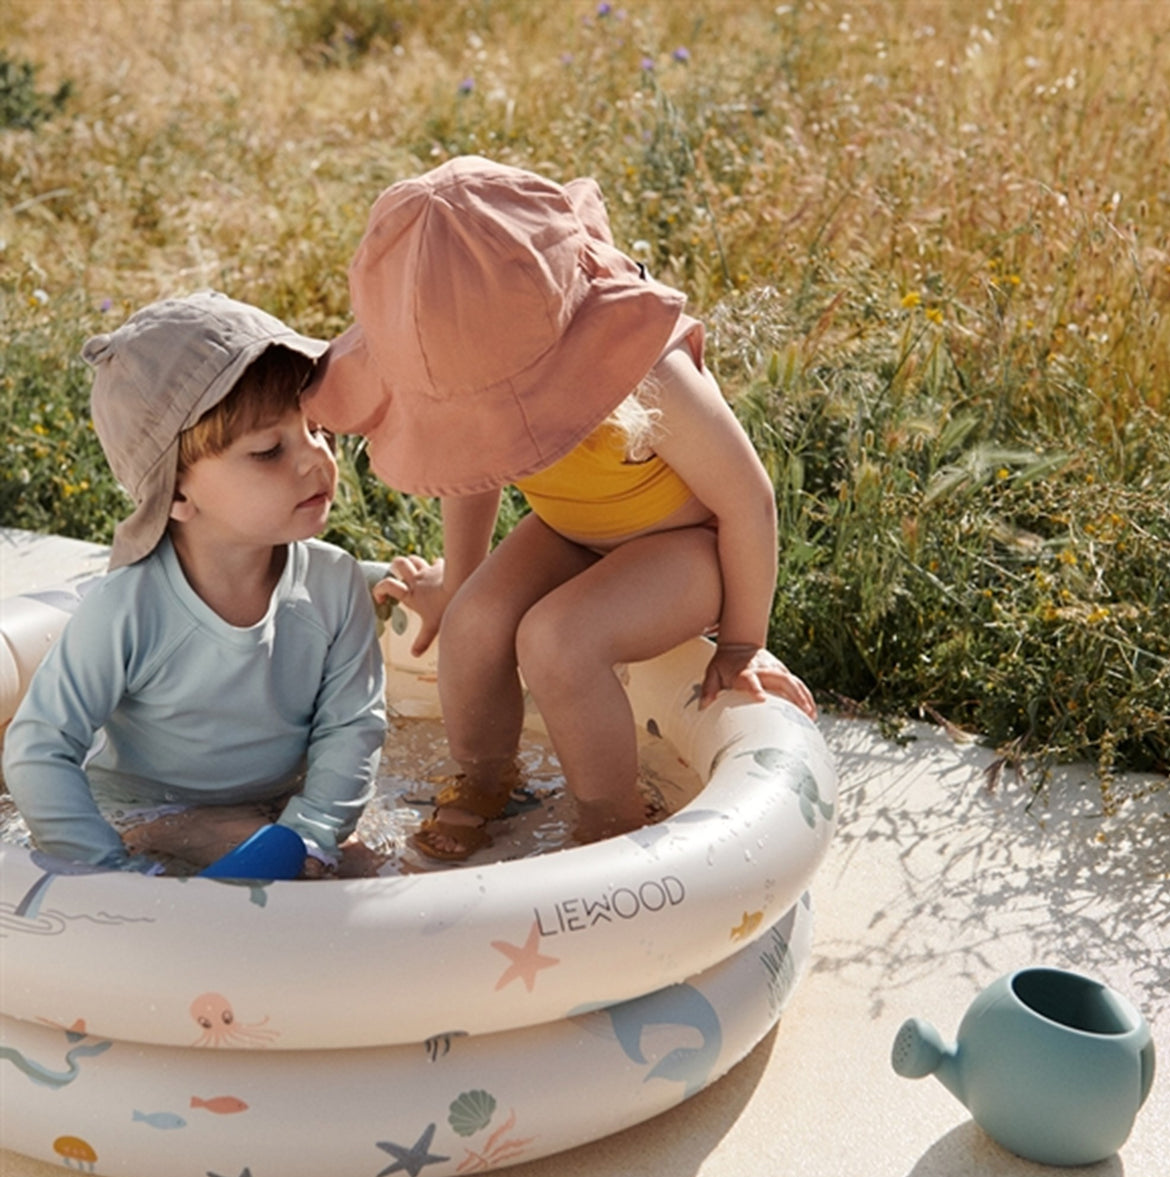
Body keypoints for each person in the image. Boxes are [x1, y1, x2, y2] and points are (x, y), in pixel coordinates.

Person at [304, 156, 816, 861]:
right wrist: (456, 582)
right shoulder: (480, 371)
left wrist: (742, 644)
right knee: (476, 622)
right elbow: (474, 470)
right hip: (572, 532)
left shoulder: (639, 363)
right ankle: (488, 779)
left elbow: (747, 499)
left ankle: (612, 822)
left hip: (688, 547)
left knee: (558, 641)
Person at [3, 291, 386, 878]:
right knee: (267, 863)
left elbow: (352, 727)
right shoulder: (129, 608)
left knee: (361, 869)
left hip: (279, 803)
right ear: (175, 493)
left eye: (315, 428)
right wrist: (105, 869)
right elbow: (39, 746)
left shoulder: (334, 586)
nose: (316, 460)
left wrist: (312, 833)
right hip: (149, 810)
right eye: (268, 450)